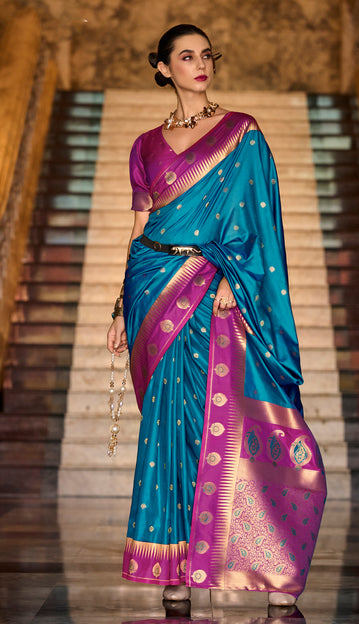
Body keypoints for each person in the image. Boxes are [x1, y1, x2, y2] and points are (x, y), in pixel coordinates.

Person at [107, 23, 326, 607]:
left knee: (236, 419)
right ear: (163, 68)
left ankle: (271, 565)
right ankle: (176, 565)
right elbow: (139, 229)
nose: (200, 64)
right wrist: (120, 307)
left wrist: (234, 273)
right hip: (152, 288)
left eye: (207, 55)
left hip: (216, 289)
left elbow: (259, 219)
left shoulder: (241, 133)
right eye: (186, 56)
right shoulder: (145, 146)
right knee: (170, 428)